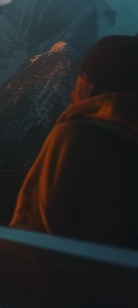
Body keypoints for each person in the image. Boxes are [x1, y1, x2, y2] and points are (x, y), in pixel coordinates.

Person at [9, 34, 138, 248]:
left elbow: (34, 227)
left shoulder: (74, 136)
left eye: (83, 75)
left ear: (92, 85)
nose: (72, 90)